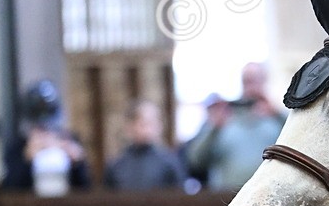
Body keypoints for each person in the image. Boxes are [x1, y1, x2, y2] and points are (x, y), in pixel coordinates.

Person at [184, 62, 286, 191]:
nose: (251, 87)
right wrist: (214, 128)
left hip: (269, 195)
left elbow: (299, 146)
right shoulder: (223, 118)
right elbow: (196, 161)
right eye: (247, 81)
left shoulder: (277, 119)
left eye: (255, 81)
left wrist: (277, 114)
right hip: (225, 199)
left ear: (264, 82)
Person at [2, 79, 92, 193]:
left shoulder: (69, 141)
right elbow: (10, 188)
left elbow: (86, 188)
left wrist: (77, 163)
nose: (45, 130)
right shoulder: (18, 147)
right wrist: (26, 159)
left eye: (48, 126)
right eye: (39, 126)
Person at [104, 100, 187, 191]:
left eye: (151, 123)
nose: (147, 130)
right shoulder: (116, 165)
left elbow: (179, 196)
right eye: (143, 124)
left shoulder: (170, 162)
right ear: (130, 127)